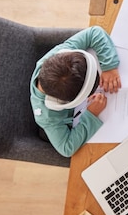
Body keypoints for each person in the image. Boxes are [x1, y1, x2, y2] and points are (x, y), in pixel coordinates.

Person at [30, 26, 121, 157]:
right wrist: (91, 114)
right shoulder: (48, 117)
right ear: (69, 102)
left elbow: (94, 32)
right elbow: (66, 148)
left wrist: (108, 66)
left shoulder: (62, 57)